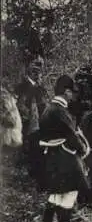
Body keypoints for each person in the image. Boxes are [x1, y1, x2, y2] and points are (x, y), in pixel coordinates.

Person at [39, 74, 89, 222]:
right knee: (71, 190)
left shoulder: (48, 108)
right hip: (65, 154)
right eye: (72, 92)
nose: (72, 96)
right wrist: (82, 150)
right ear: (66, 92)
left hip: (53, 154)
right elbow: (71, 136)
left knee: (57, 191)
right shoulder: (60, 111)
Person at [15, 59, 49, 192]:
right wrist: (30, 116)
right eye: (38, 73)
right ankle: (35, 178)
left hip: (41, 122)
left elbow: (43, 102)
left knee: (38, 149)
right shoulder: (25, 87)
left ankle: (37, 176)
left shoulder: (38, 87)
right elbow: (20, 105)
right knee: (34, 149)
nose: (40, 76)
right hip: (32, 124)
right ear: (33, 74)